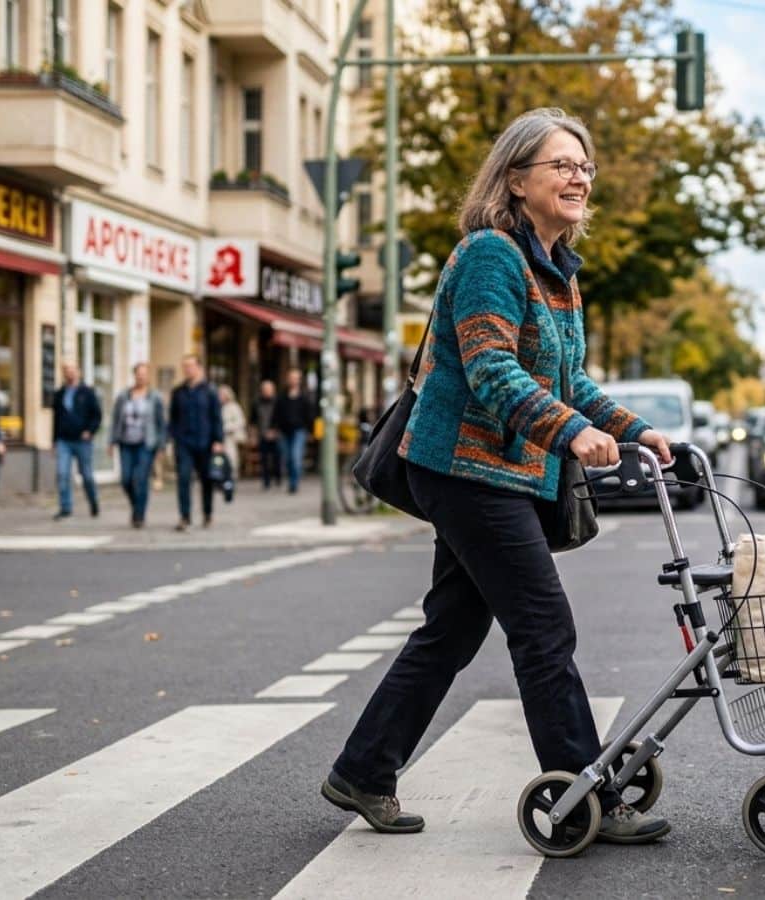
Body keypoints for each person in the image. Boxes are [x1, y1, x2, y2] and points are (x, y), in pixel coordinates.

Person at [323, 108, 676, 844]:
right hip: (462, 468)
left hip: (503, 474)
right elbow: (490, 368)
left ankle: (363, 769)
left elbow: (570, 377)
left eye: (586, 166)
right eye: (562, 164)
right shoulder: (490, 255)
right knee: (544, 628)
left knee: (451, 631)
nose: (579, 176)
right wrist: (571, 434)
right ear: (516, 179)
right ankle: (587, 792)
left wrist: (634, 429)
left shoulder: (557, 270)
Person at [168, 354, 224, 531]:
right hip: (184, 443)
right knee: (183, 479)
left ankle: (207, 514)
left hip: (205, 442)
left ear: (199, 368)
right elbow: (173, 418)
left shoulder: (209, 391)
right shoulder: (178, 392)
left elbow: (216, 417)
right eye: (185, 367)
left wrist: (218, 440)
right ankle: (185, 516)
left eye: (191, 366)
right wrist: (173, 437)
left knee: (206, 480)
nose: (188, 370)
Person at [110, 362, 165, 529]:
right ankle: (136, 505)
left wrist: (161, 446)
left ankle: (139, 515)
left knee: (140, 479)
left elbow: (161, 423)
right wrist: (111, 441)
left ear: (148, 377)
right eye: (138, 373)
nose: (141, 376)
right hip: (126, 443)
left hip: (146, 444)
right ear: (134, 375)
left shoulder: (155, 397)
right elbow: (115, 420)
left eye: (144, 374)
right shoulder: (123, 396)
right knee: (126, 479)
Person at [51, 361, 102, 521]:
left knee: (86, 475)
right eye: (66, 370)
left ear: (78, 372)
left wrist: (90, 431)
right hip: (63, 441)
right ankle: (65, 507)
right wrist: (54, 440)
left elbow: (97, 415)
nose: (69, 373)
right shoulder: (59, 393)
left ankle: (93, 501)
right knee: (62, 473)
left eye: (72, 370)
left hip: (82, 440)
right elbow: (56, 419)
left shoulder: (87, 392)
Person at [272, 369, 312, 494]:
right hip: (284, 431)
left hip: (299, 431)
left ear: (299, 380)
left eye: (296, 378)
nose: (293, 380)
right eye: (291, 378)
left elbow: (310, 415)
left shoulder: (304, 397)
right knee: (288, 459)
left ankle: (294, 483)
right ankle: (291, 480)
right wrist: (273, 428)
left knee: (296, 457)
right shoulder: (282, 396)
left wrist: (310, 431)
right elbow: (276, 413)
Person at [253, 379, 280, 489]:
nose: (267, 391)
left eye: (269, 389)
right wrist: (253, 434)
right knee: (264, 458)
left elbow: (280, 418)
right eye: (265, 389)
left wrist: (274, 430)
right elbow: (253, 420)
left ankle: (278, 477)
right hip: (262, 433)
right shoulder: (256, 403)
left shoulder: (278, 402)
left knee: (276, 457)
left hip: (276, 434)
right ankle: (266, 480)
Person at [220, 385, 246, 477]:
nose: (220, 396)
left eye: (222, 394)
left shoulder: (234, 407)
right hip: (219, 436)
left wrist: (228, 427)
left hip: (230, 436)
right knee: (219, 458)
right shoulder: (217, 407)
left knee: (230, 457)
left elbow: (240, 421)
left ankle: (231, 475)